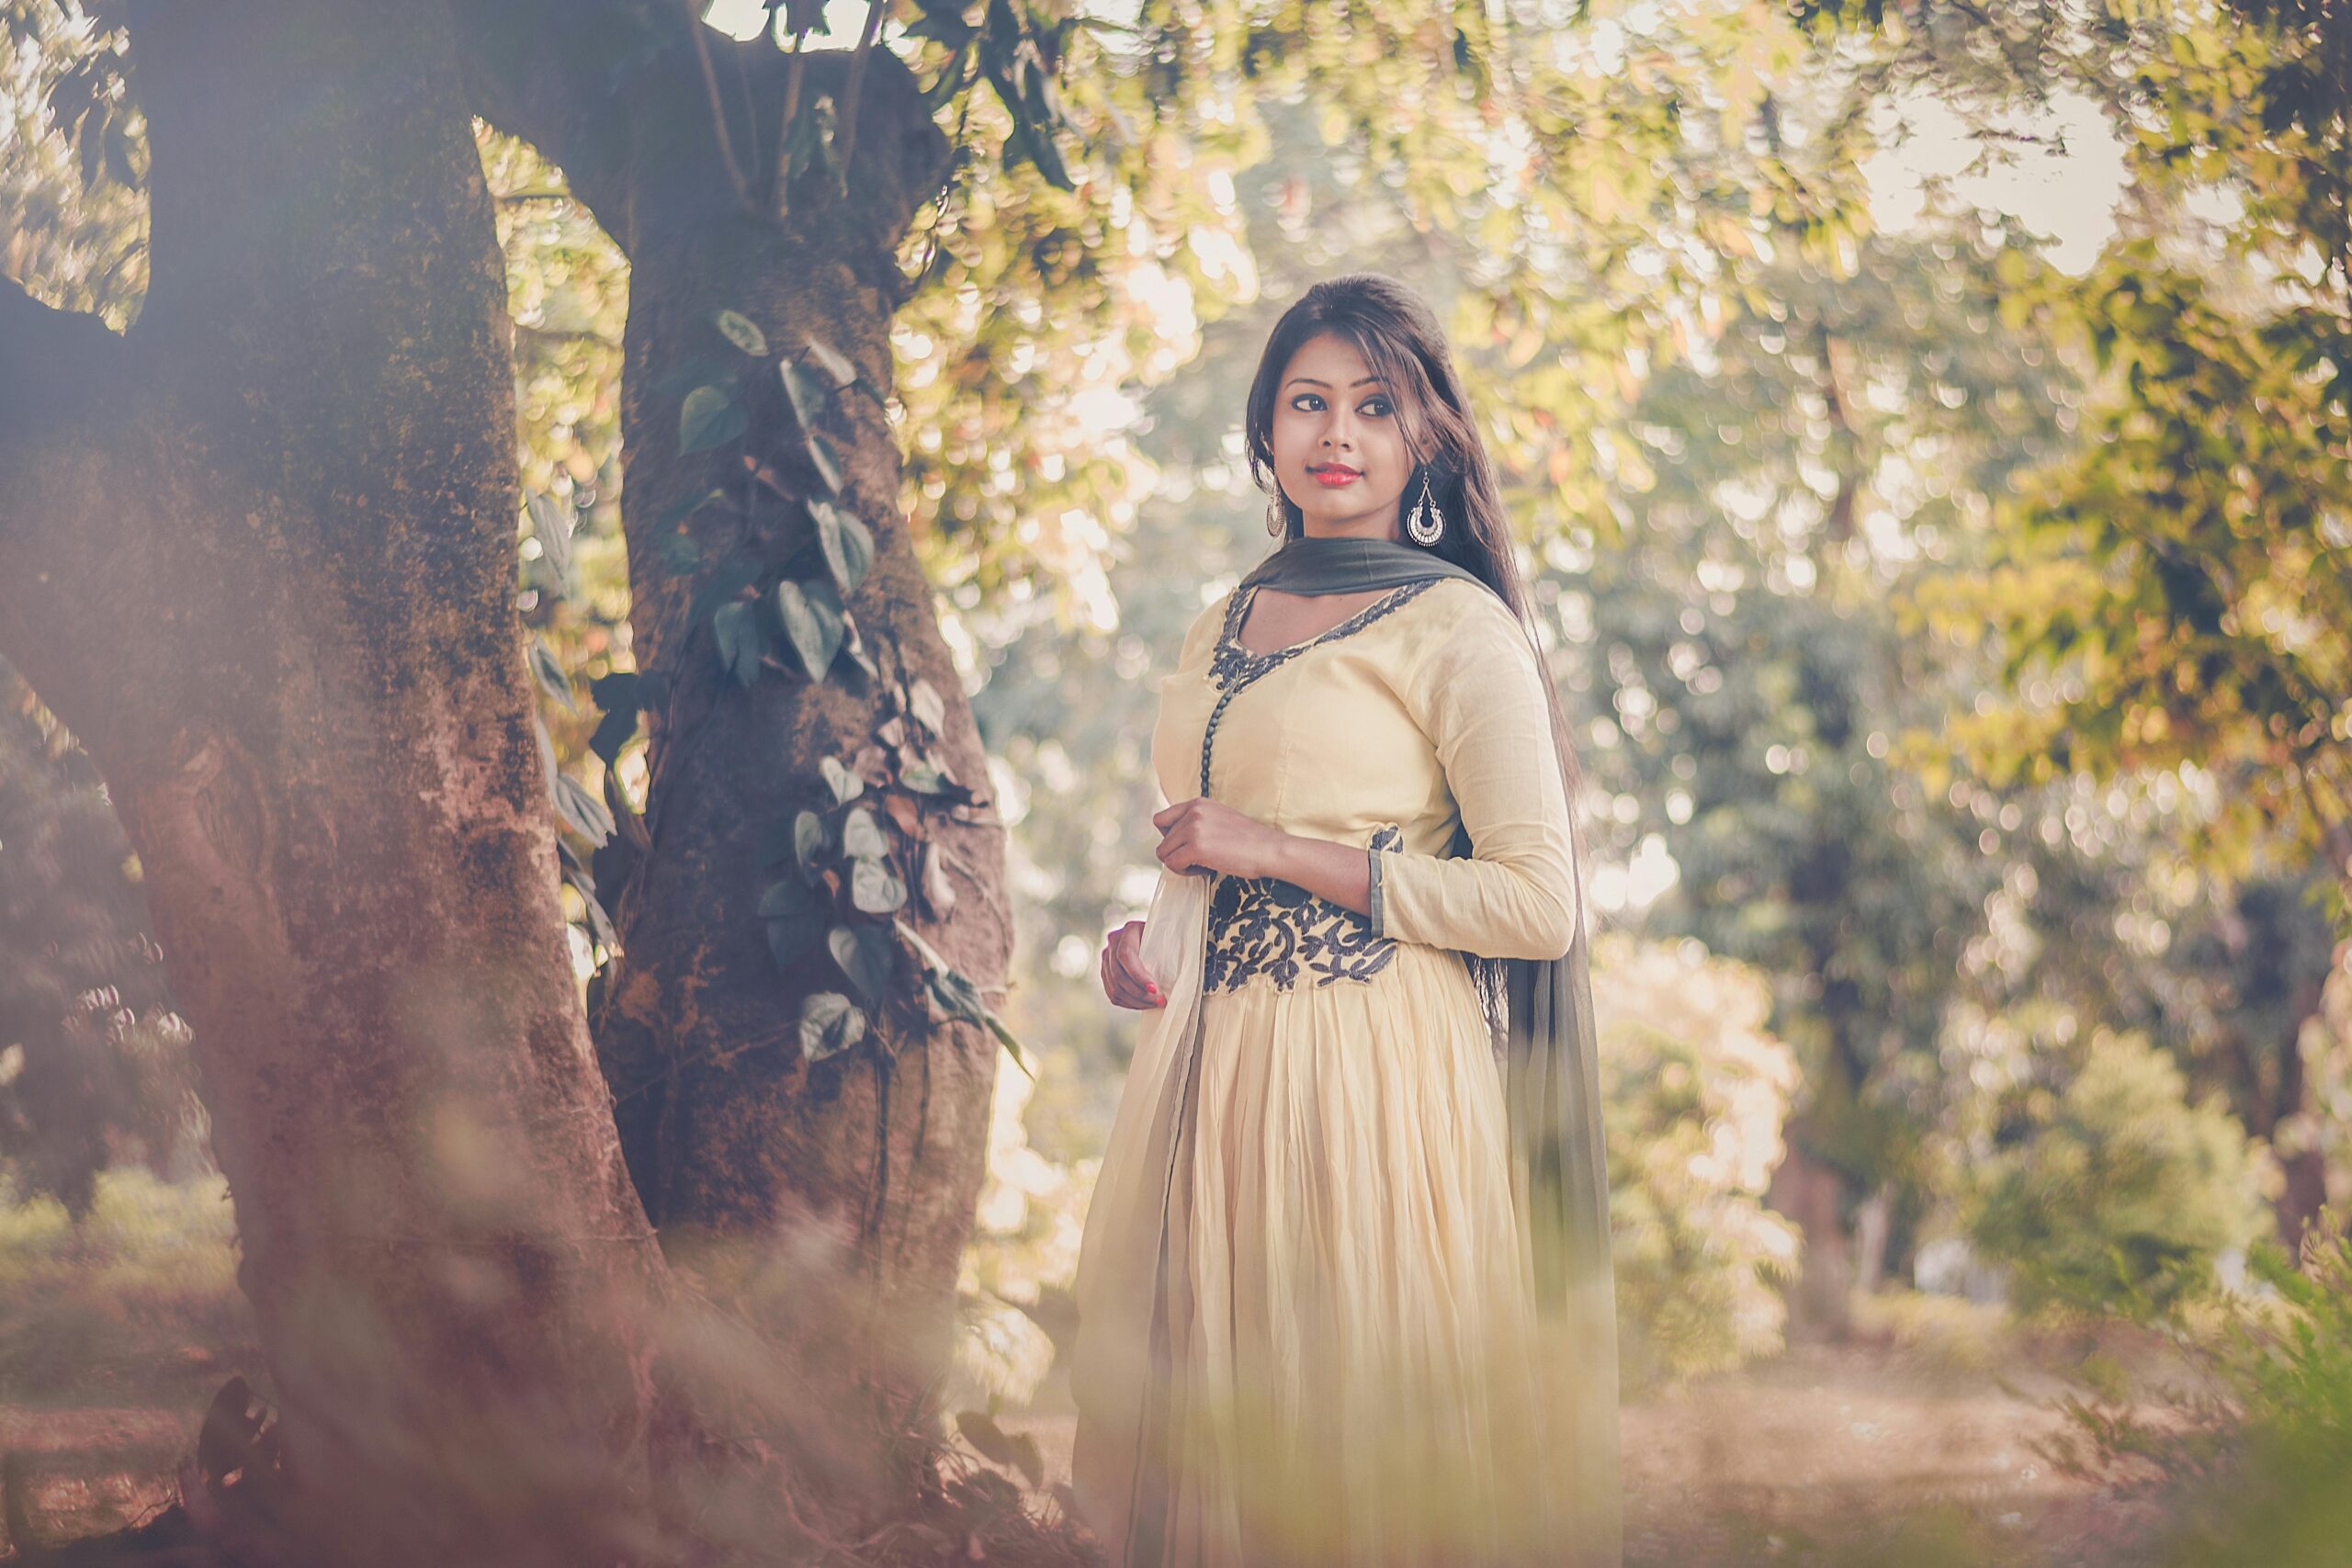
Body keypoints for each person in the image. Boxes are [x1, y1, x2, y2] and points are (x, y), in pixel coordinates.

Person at [1068, 273, 1623, 1568]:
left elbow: (1538, 905)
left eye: (1375, 406)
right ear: (1263, 429)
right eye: (1307, 402)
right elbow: (1219, 838)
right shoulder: (1225, 619)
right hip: (1211, 1076)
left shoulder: (1454, 626)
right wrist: (1154, 938)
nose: (1337, 435)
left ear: (1425, 434)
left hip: (1374, 1079)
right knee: (1207, 1432)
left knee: (1343, 1431)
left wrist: (1274, 851)